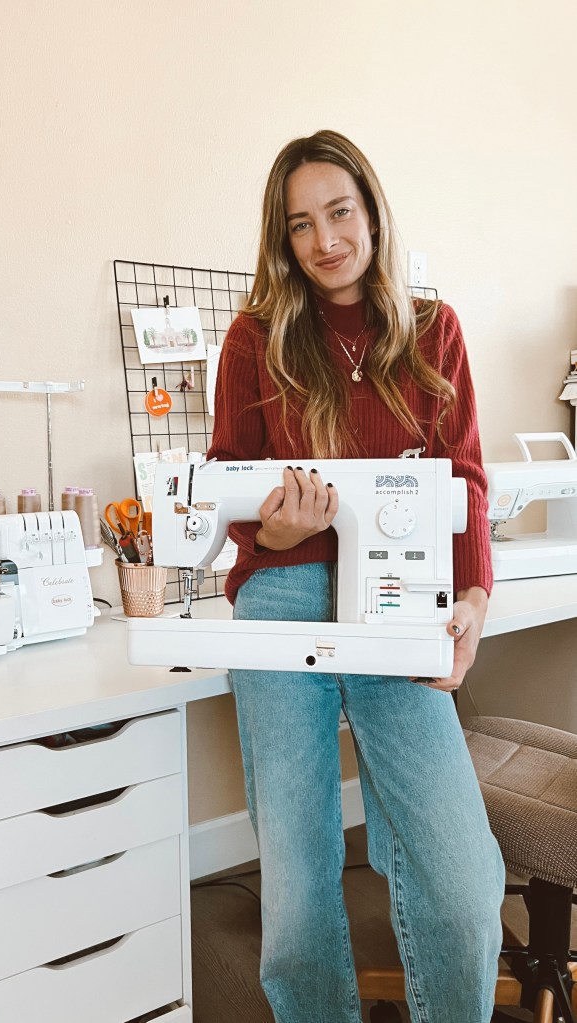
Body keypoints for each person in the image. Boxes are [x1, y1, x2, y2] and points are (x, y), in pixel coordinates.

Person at [207, 130, 505, 1023]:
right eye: (300, 224)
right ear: (282, 238)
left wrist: (473, 598)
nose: (324, 240)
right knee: (296, 895)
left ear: (372, 211)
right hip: (280, 596)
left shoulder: (432, 330)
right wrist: (271, 527)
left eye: (338, 212)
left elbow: (465, 479)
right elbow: (226, 479)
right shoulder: (254, 339)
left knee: (462, 886)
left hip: (399, 595)